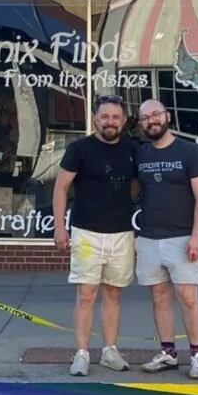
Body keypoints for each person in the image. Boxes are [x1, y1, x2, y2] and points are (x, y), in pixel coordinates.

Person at [53, 95, 137, 376]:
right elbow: (60, 188)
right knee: (86, 295)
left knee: (113, 293)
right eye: (105, 117)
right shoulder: (79, 149)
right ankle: (82, 354)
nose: (110, 122)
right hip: (86, 233)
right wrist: (60, 226)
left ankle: (110, 351)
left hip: (122, 233)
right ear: (95, 120)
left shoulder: (133, 149)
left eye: (115, 117)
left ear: (123, 121)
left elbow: (137, 186)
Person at [135, 99, 198, 379]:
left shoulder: (190, 152)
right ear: (141, 124)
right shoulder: (140, 154)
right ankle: (168, 353)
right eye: (145, 118)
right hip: (149, 237)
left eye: (156, 114)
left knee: (188, 298)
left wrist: (196, 236)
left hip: (182, 237)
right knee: (159, 297)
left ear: (167, 116)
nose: (152, 120)